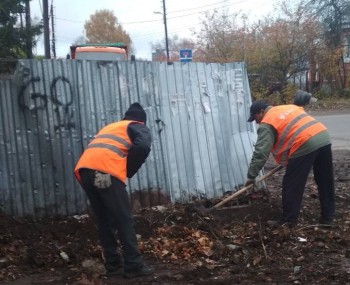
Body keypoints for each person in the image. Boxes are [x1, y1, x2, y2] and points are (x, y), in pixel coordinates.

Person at [74, 102, 154, 278]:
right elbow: (142, 147)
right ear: (142, 121)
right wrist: (128, 169)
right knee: (124, 219)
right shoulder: (137, 126)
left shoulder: (112, 127)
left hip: (85, 172)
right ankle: (133, 265)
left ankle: (113, 265)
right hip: (105, 172)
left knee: (105, 220)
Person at [245, 99, 335, 227]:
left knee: (291, 184)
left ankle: (288, 220)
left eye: (256, 118)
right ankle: (328, 217)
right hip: (323, 137)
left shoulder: (267, 122)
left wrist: (251, 175)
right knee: (325, 180)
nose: (257, 122)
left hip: (304, 143)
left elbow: (261, 153)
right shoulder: (286, 107)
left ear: (261, 112)